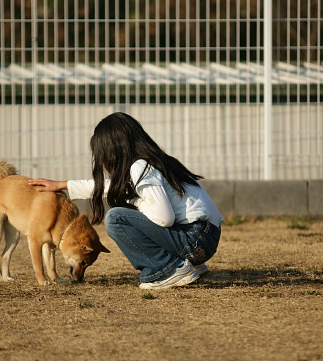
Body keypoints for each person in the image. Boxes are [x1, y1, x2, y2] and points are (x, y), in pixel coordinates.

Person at [29, 112, 223, 289]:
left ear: (114, 150)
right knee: (127, 205)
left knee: (116, 218)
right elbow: (109, 186)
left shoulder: (140, 167)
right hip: (203, 238)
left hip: (195, 240)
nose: (102, 161)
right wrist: (63, 185)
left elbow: (165, 219)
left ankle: (168, 270)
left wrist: (134, 202)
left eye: (102, 154)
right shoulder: (155, 161)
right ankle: (188, 265)